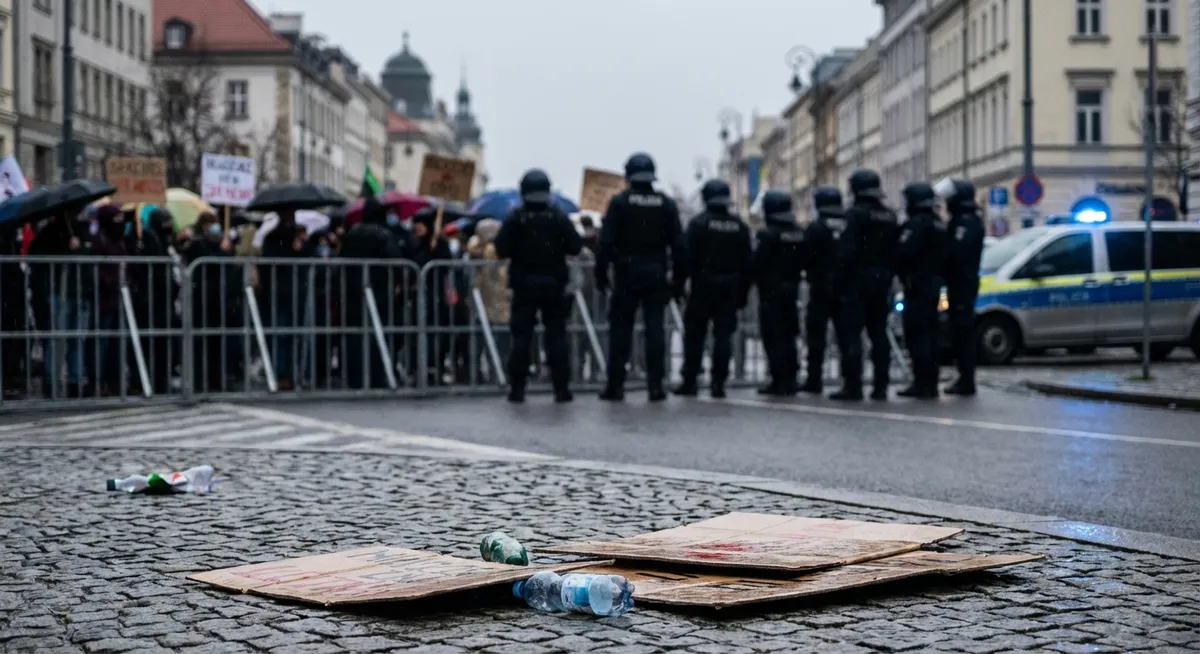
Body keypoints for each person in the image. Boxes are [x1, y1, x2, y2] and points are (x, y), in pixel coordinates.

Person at [595, 153, 683, 402]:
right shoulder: (665, 203)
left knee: (620, 332)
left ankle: (616, 385)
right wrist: (677, 280)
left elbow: (606, 242)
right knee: (655, 330)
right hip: (656, 273)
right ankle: (656, 385)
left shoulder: (620, 202)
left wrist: (601, 275)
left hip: (626, 274)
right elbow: (678, 244)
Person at [495, 169, 583, 403]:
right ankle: (561, 389)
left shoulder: (517, 217)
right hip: (554, 285)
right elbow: (575, 246)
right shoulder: (557, 217)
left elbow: (501, 248)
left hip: (524, 286)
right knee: (556, 338)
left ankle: (517, 390)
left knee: (521, 339)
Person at [673, 179, 751, 399]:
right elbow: (748, 264)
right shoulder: (739, 226)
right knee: (723, 336)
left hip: (702, 288)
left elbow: (685, 259)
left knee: (695, 336)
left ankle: (690, 380)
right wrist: (743, 293)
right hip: (730, 289)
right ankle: (719, 383)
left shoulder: (699, 224)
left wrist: (678, 287)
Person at [839, 169, 900, 401]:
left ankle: (853, 386)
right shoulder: (889, 215)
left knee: (852, 335)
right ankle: (880, 386)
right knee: (879, 334)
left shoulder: (855, 215)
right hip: (882, 281)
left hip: (857, 281)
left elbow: (847, 251)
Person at [339, 196, 405, 389]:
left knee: (356, 335)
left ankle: (355, 377)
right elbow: (396, 261)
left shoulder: (352, 234)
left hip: (353, 291)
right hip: (380, 291)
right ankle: (376, 376)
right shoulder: (384, 234)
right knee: (378, 334)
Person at [896, 182, 949, 399]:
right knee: (932, 334)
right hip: (935, 285)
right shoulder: (939, 224)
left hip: (917, 286)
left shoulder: (915, 225)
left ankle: (922, 382)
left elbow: (902, 253)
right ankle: (931, 381)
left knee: (918, 335)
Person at [753, 190, 807, 396]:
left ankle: (778, 380)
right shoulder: (799, 232)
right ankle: (791, 378)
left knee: (773, 337)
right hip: (792, 289)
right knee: (790, 336)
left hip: (771, 291)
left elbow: (758, 263)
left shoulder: (767, 234)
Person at [936, 177, 986, 396]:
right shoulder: (964, 220)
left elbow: (956, 252)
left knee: (963, 332)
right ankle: (964, 377)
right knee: (959, 332)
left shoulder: (966, 222)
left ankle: (967, 380)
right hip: (960, 282)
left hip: (962, 283)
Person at [802, 185, 853, 395]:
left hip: (820, 288)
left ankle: (814, 380)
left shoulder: (816, 228)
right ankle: (851, 382)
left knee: (817, 339)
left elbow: (805, 256)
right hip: (847, 288)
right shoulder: (850, 224)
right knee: (847, 338)